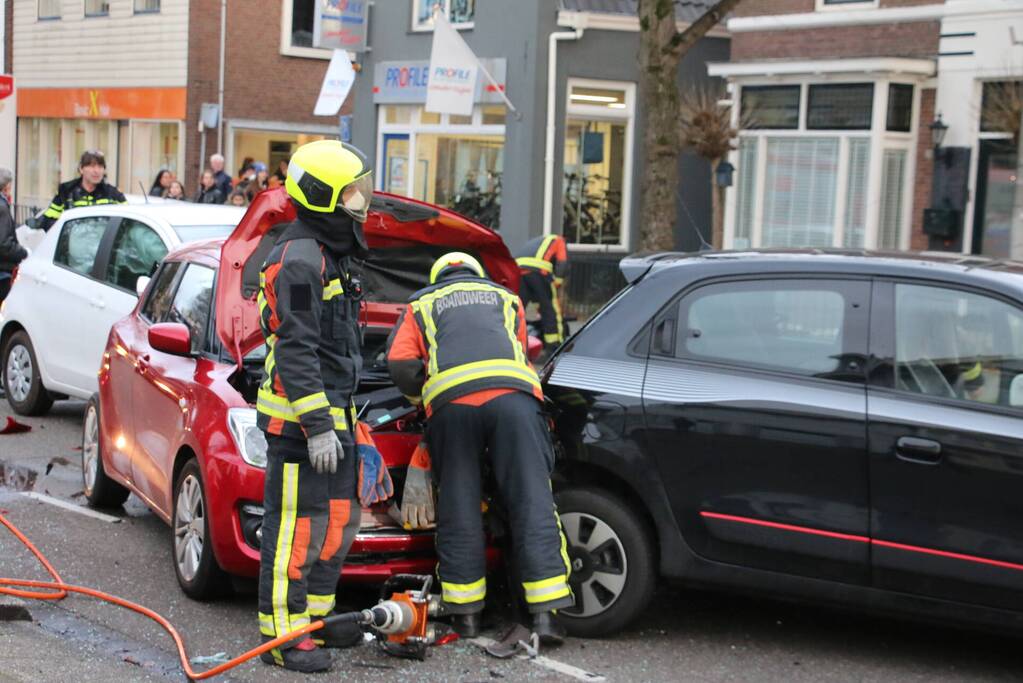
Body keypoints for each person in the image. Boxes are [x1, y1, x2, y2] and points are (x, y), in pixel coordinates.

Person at [386, 251, 573, 645]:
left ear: (439, 277)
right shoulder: (506, 298)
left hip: (453, 410)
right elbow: (519, 351)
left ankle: (466, 617)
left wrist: (422, 400)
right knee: (532, 500)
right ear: (477, 274)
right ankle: (546, 617)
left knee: (458, 505)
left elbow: (401, 365)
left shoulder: (422, 302)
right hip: (515, 405)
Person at [255, 140, 377, 673]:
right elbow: (297, 347)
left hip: (334, 417)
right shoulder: (301, 263)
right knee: (296, 528)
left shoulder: (332, 257)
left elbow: (341, 348)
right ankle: (282, 636)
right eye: (352, 193)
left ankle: (318, 622)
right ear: (323, 196)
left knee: (341, 520)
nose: (362, 203)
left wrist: (347, 419)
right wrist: (318, 426)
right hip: (299, 424)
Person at [33, 150, 126, 232]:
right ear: (81, 169)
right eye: (92, 166)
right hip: (71, 247)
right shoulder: (66, 191)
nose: (96, 171)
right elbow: (50, 219)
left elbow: (126, 222)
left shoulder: (113, 194)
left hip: (103, 247)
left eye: (100, 166)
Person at [515, 234, 569, 354]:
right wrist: (557, 282)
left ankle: (514, 341)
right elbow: (562, 262)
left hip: (518, 269)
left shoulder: (536, 241)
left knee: (517, 309)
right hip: (538, 270)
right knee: (549, 308)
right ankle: (554, 346)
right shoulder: (559, 240)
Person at [0, 168, 27, 305]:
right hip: (3, 272)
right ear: (6, 187)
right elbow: (4, 244)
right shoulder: (2, 208)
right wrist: (24, 252)